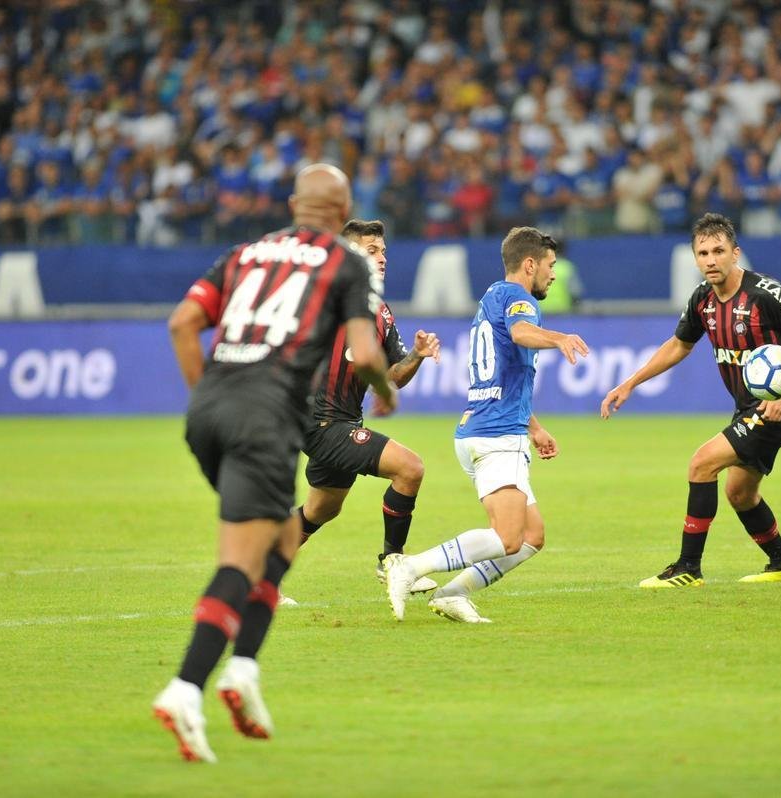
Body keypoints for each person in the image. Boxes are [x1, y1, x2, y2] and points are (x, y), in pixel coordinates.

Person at [152, 164, 397, 763]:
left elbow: (183, 323)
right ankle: (188, 688)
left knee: (281, 538)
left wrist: (206, 399)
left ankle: (243, 670)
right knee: (244, 561)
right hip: (265, 419)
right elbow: (366, 352)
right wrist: (384, 392)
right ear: (342, 216)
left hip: (207, 412)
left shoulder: (246, 253)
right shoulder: (347, 264)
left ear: (293, 204)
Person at [600, 212, 781, 587]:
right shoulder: (702, 300)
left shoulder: (765, 294)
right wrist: (631, 382)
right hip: (749, 407)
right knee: (739, 493)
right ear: (695, 258)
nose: (710, 259)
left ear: (735, 253)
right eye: (703, 252)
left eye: (718, 251)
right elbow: (679, 345)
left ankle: (688, 567)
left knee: (701, 464)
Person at [383, 227, 590, 623]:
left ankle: (452, 594)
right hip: (497, 435)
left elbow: (501, 375)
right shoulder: (519, 299)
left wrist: (534, 427)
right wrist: (558, 337)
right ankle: (410, 566)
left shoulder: (492, 295)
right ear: (529, 264)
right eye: (550, 266)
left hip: (483, 427)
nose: (553, 274)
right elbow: (522, 333)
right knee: (508, 538)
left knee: (532, 538)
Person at [283, 219, 442, 601]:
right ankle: (393, 563)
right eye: (371, 250)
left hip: (343, 419)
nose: (382, 257)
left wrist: (417, 356)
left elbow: (394, 376)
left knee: (321, 509)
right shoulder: (326, 297)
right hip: (321, 421)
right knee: (410, 467)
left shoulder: (380, 312)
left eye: (383, 250)